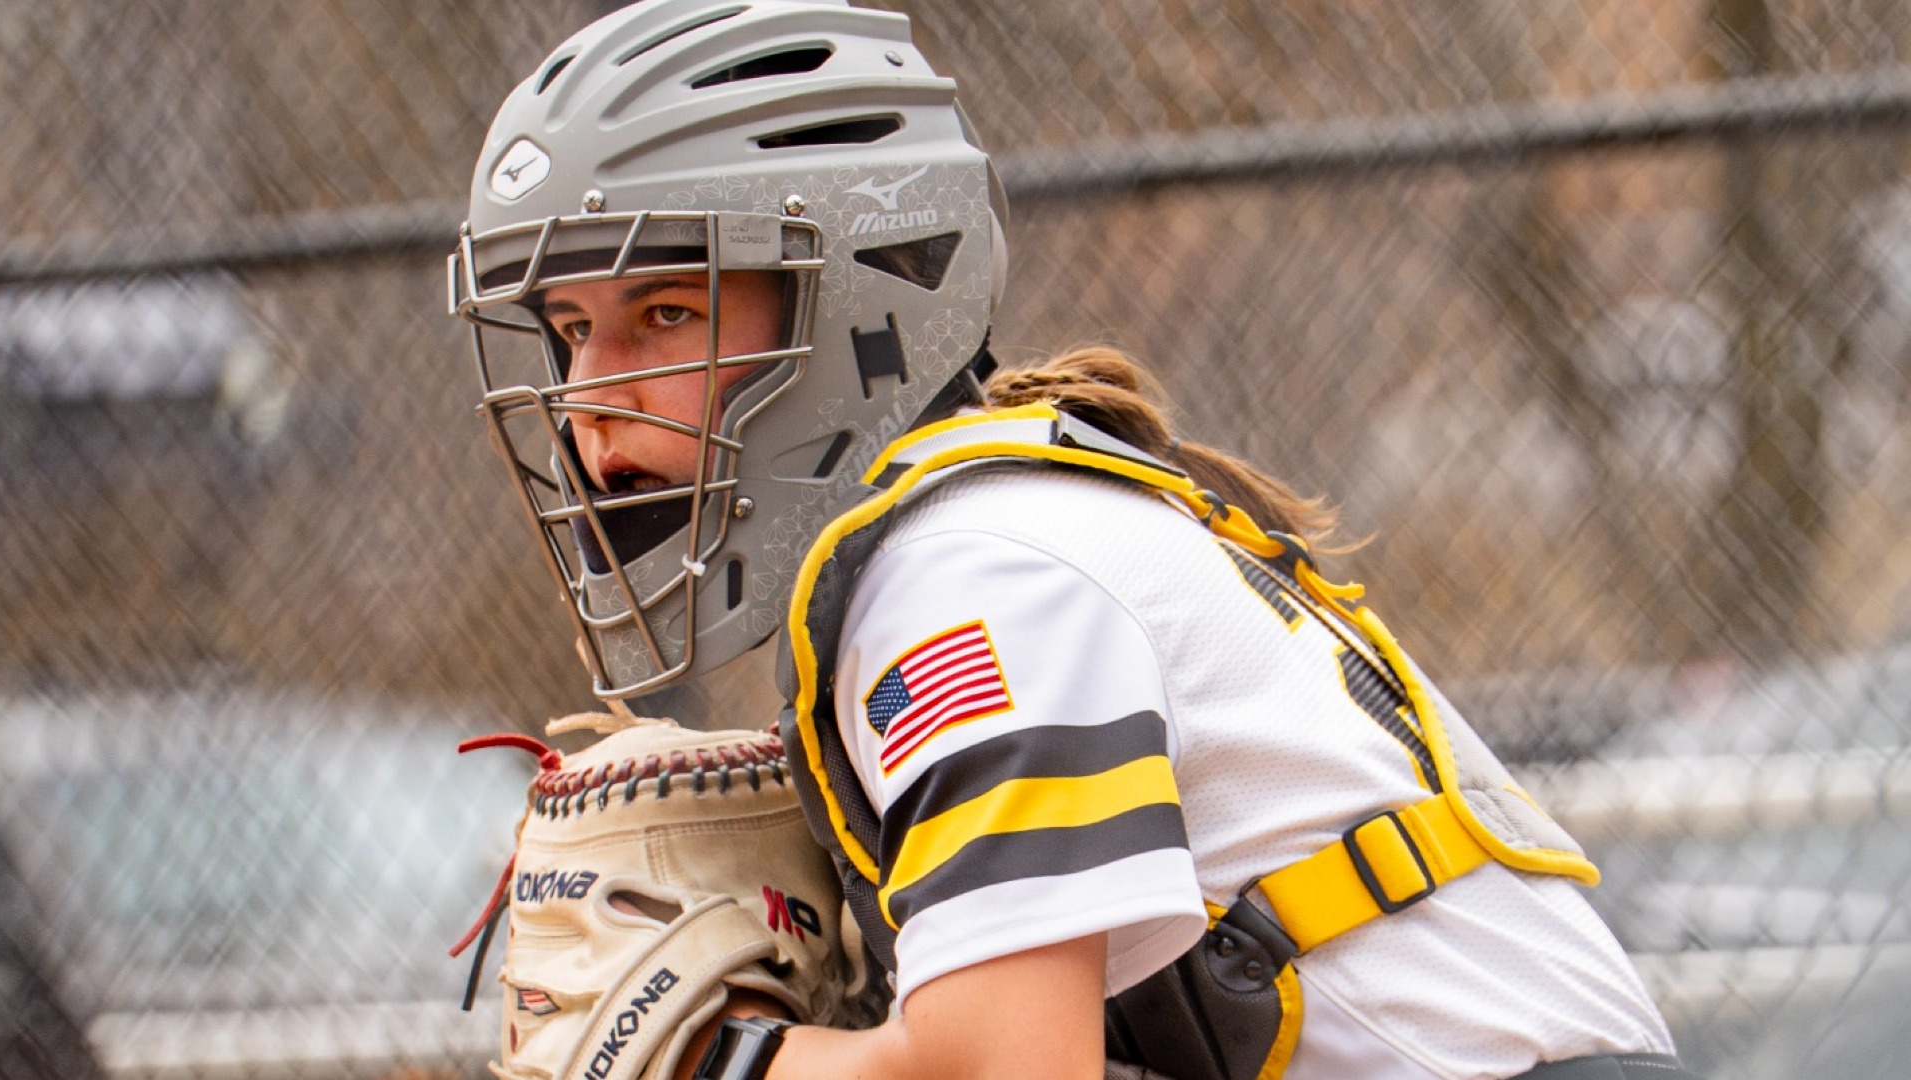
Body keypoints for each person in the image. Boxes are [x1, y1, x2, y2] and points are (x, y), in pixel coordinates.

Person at [447, 2, 1689, 1078]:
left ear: (858, 304)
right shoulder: (995, 523)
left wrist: (711, 1059)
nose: (586, 394)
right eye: (569, 328)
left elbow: (1005, 1074)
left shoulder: (967, 574)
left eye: (665, 311)